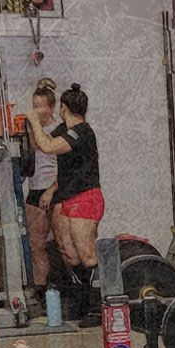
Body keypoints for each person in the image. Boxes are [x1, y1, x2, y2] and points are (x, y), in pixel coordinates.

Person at [26, 84, 103, 324]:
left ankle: (97, 309)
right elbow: (40, 144)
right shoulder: (65, 129)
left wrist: (33, 119)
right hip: (68, 197)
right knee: (70, 254)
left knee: (86, 253)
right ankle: (82, 304)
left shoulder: (81, 132)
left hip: (86, 197)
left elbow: (49, 147)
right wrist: (33, 126)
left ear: (63, 108)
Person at [22, 78, 63, 311]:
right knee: (36, 244)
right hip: (35, 189)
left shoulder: (58, 131)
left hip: (54, 188)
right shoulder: (31, 130)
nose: (36, 111)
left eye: (41, 107)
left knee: (61, 243)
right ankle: (40, 290)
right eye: (34, 106)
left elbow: (66, 169)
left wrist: (51, 190)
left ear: (51, 107)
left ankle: (65, 288)